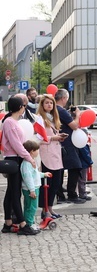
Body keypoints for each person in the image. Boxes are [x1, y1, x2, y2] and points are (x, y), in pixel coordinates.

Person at [1, 96, 40, 235]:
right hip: (13, 158)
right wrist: (29, 157)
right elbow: (16, 144)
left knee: (12, 191)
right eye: (23, 106)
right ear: (20, 107)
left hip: (16, 157)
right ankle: (23, 224)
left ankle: (8, 223)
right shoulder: (10, 123)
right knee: (15, 192)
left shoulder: (13, 122)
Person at [36, 94, 67, 218]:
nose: (49, 105)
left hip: (56, 154)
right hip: (46, 155)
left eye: (51, 103)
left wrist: (60, 137)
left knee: (56, 183)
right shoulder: (39, 119)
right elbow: (38, 138)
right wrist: (53, 138)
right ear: (42, 105)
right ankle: (45, 210)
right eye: (47, 103)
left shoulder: (54, 118)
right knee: (46, 184)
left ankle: (50, 208)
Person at [54, 89, 86, 204]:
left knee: (60, 169)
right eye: (66, 99)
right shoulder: (61, 110)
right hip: (67, 142)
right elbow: (74, 126)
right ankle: (71, 194)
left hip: (59, 143)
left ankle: (60, 195)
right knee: (76, 166)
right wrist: (77, 115)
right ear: (63, 98)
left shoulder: (54, 109)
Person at [21, 140, 52, 231]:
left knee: (29, 206)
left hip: (33, 188)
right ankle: (29, 224)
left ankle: (29, 221)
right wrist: (32, 190)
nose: (38, 152)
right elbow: (28, 178)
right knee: (31, 207)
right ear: (32, 151)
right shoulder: (27, 164)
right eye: (37, 150)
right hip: (31, 189)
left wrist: (43, 174)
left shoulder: (30, 162)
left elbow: (35, 174)